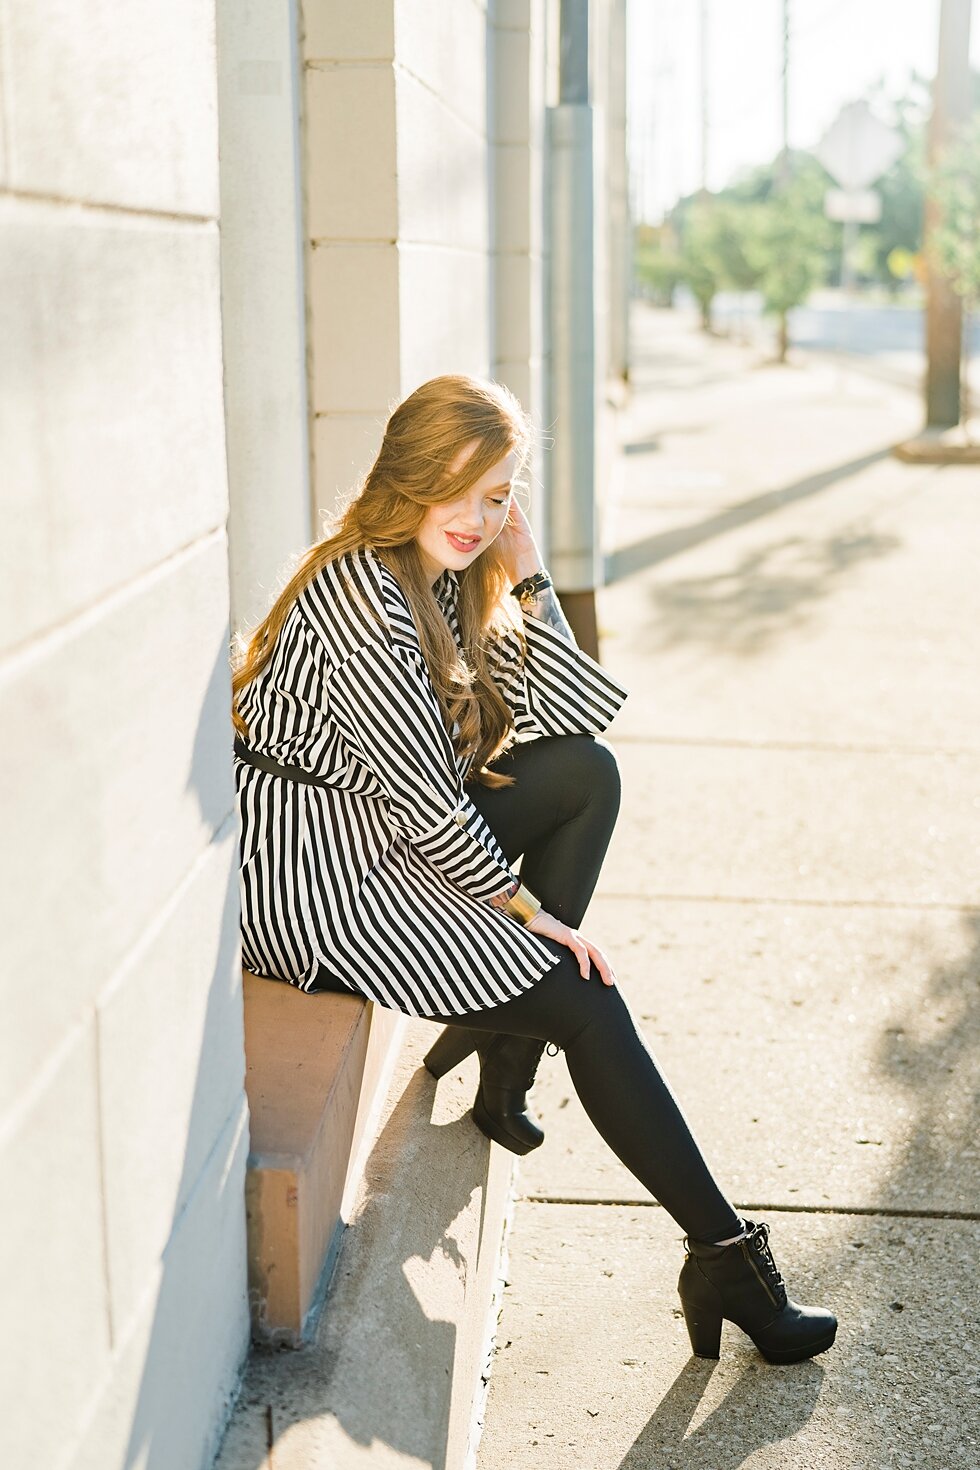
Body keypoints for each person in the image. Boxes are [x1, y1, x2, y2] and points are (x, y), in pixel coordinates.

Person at [230, 374, 836, 1365]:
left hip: (371, 828)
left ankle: (508, 1041)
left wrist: (526, 566)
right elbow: (429, 802)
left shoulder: (434, 570)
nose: (478, 516)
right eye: (459, 490)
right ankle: (723, 1258)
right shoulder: (361, 599)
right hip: (315, 876)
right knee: (588, 997)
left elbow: (568, 715)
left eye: (500, 493)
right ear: (408, 477)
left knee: (583, 776)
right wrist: (523, 913)